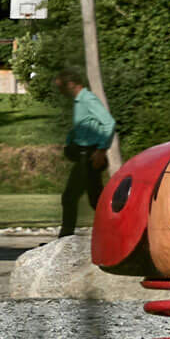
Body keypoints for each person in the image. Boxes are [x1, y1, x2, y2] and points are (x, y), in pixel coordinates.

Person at [54, 70, 117, 241]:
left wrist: (101, 150)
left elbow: (109, 122)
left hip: (89, 156)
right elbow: (82, 126)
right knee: (96, 199)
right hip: (84, 154)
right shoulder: (78, 101)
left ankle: (65, 239)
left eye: (61, 88)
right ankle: (116, 231)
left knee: (70, 197)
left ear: (71, 84)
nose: (60, 92)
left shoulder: (87, 99)